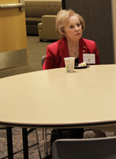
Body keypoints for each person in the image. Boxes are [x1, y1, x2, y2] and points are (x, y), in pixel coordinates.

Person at [43, 9, 103, 147]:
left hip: (87, 92)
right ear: (63, 31)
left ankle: (95, 136)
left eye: (78, 25)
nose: (77, 29)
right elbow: (46, 75)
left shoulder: (90, 45)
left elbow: (99, 72)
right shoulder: (53, 49)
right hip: (62, 95)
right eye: (72, 26)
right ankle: (67, 145)